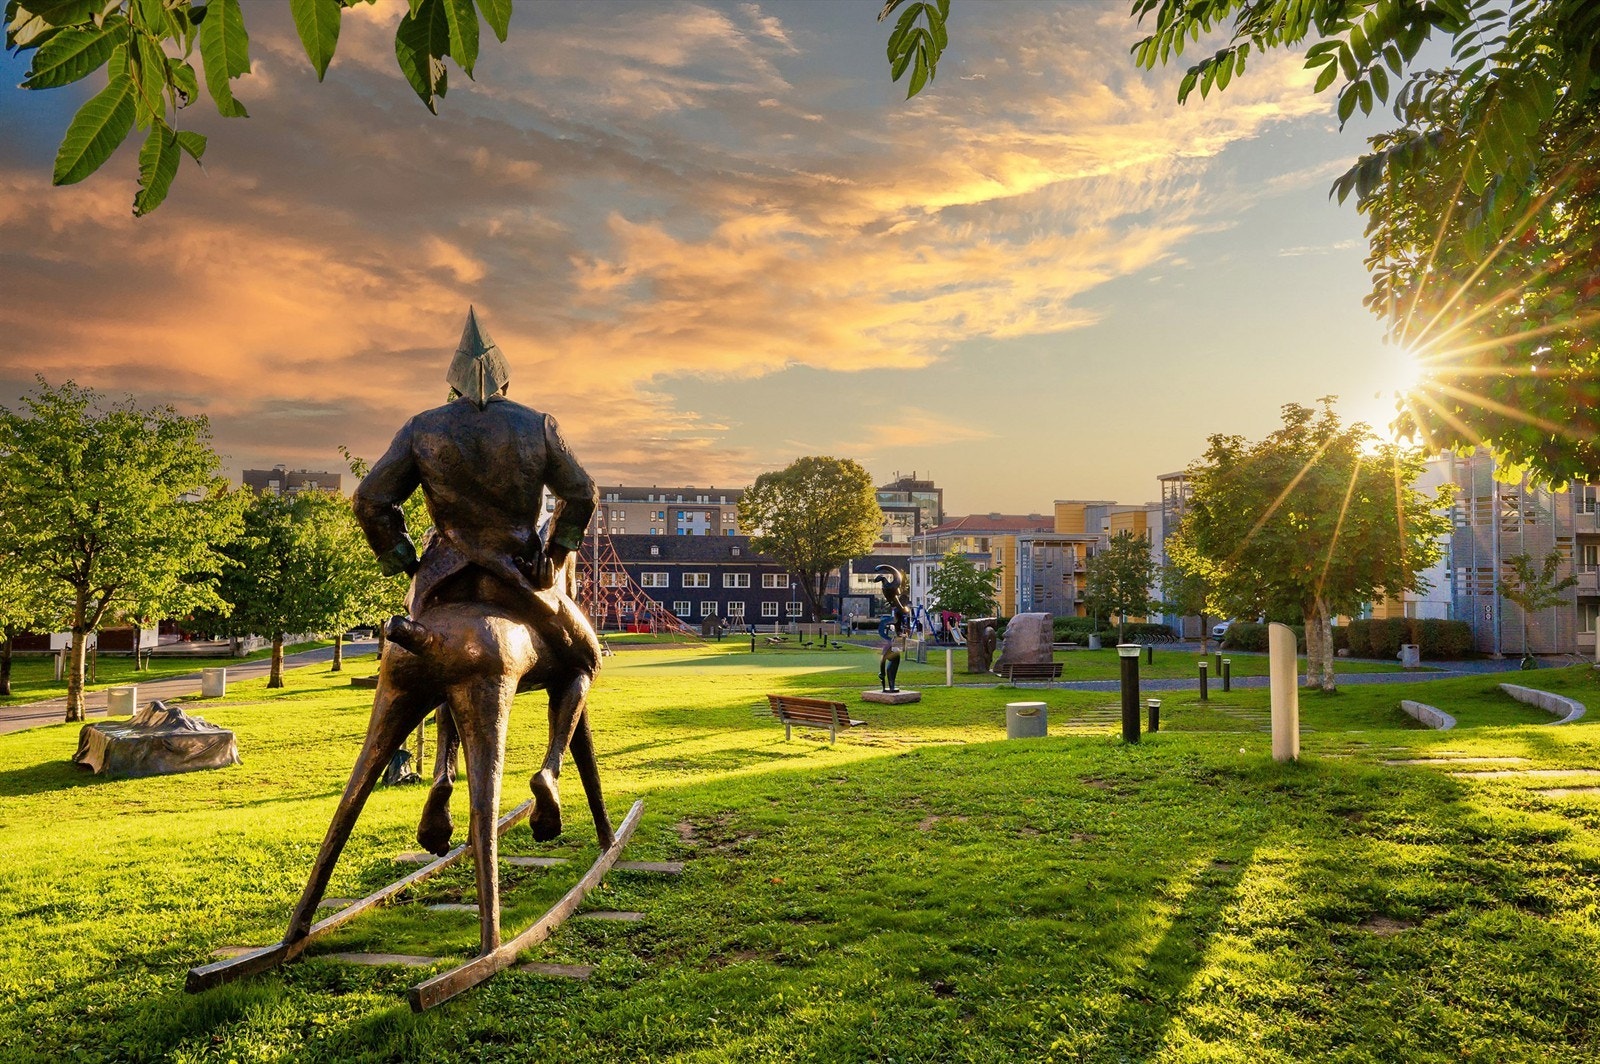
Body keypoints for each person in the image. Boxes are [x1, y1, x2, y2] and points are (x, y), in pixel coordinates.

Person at [352, 307, 601, 836]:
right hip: (517, 583)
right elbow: (581, 493)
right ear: (505, 376)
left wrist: (403, 560)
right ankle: (549, 769)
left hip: (441, 587)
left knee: (446, 669)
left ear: (453, 381)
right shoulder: (537, 425)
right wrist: (555, 554)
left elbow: (371, 499)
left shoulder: (424, 428)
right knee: (586, 657)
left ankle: (444, 774)